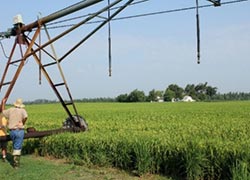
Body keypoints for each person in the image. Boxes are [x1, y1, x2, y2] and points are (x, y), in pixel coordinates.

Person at [1, 98, 28, 168]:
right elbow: (26, 117)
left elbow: (3, 111)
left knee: (15, 145)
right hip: (19, 130)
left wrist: (3, 102)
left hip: (12, 131)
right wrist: (22, 122)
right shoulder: (22, 110)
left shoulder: (10, 110)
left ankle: (14, 160)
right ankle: (16, 164)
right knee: (17, 147)